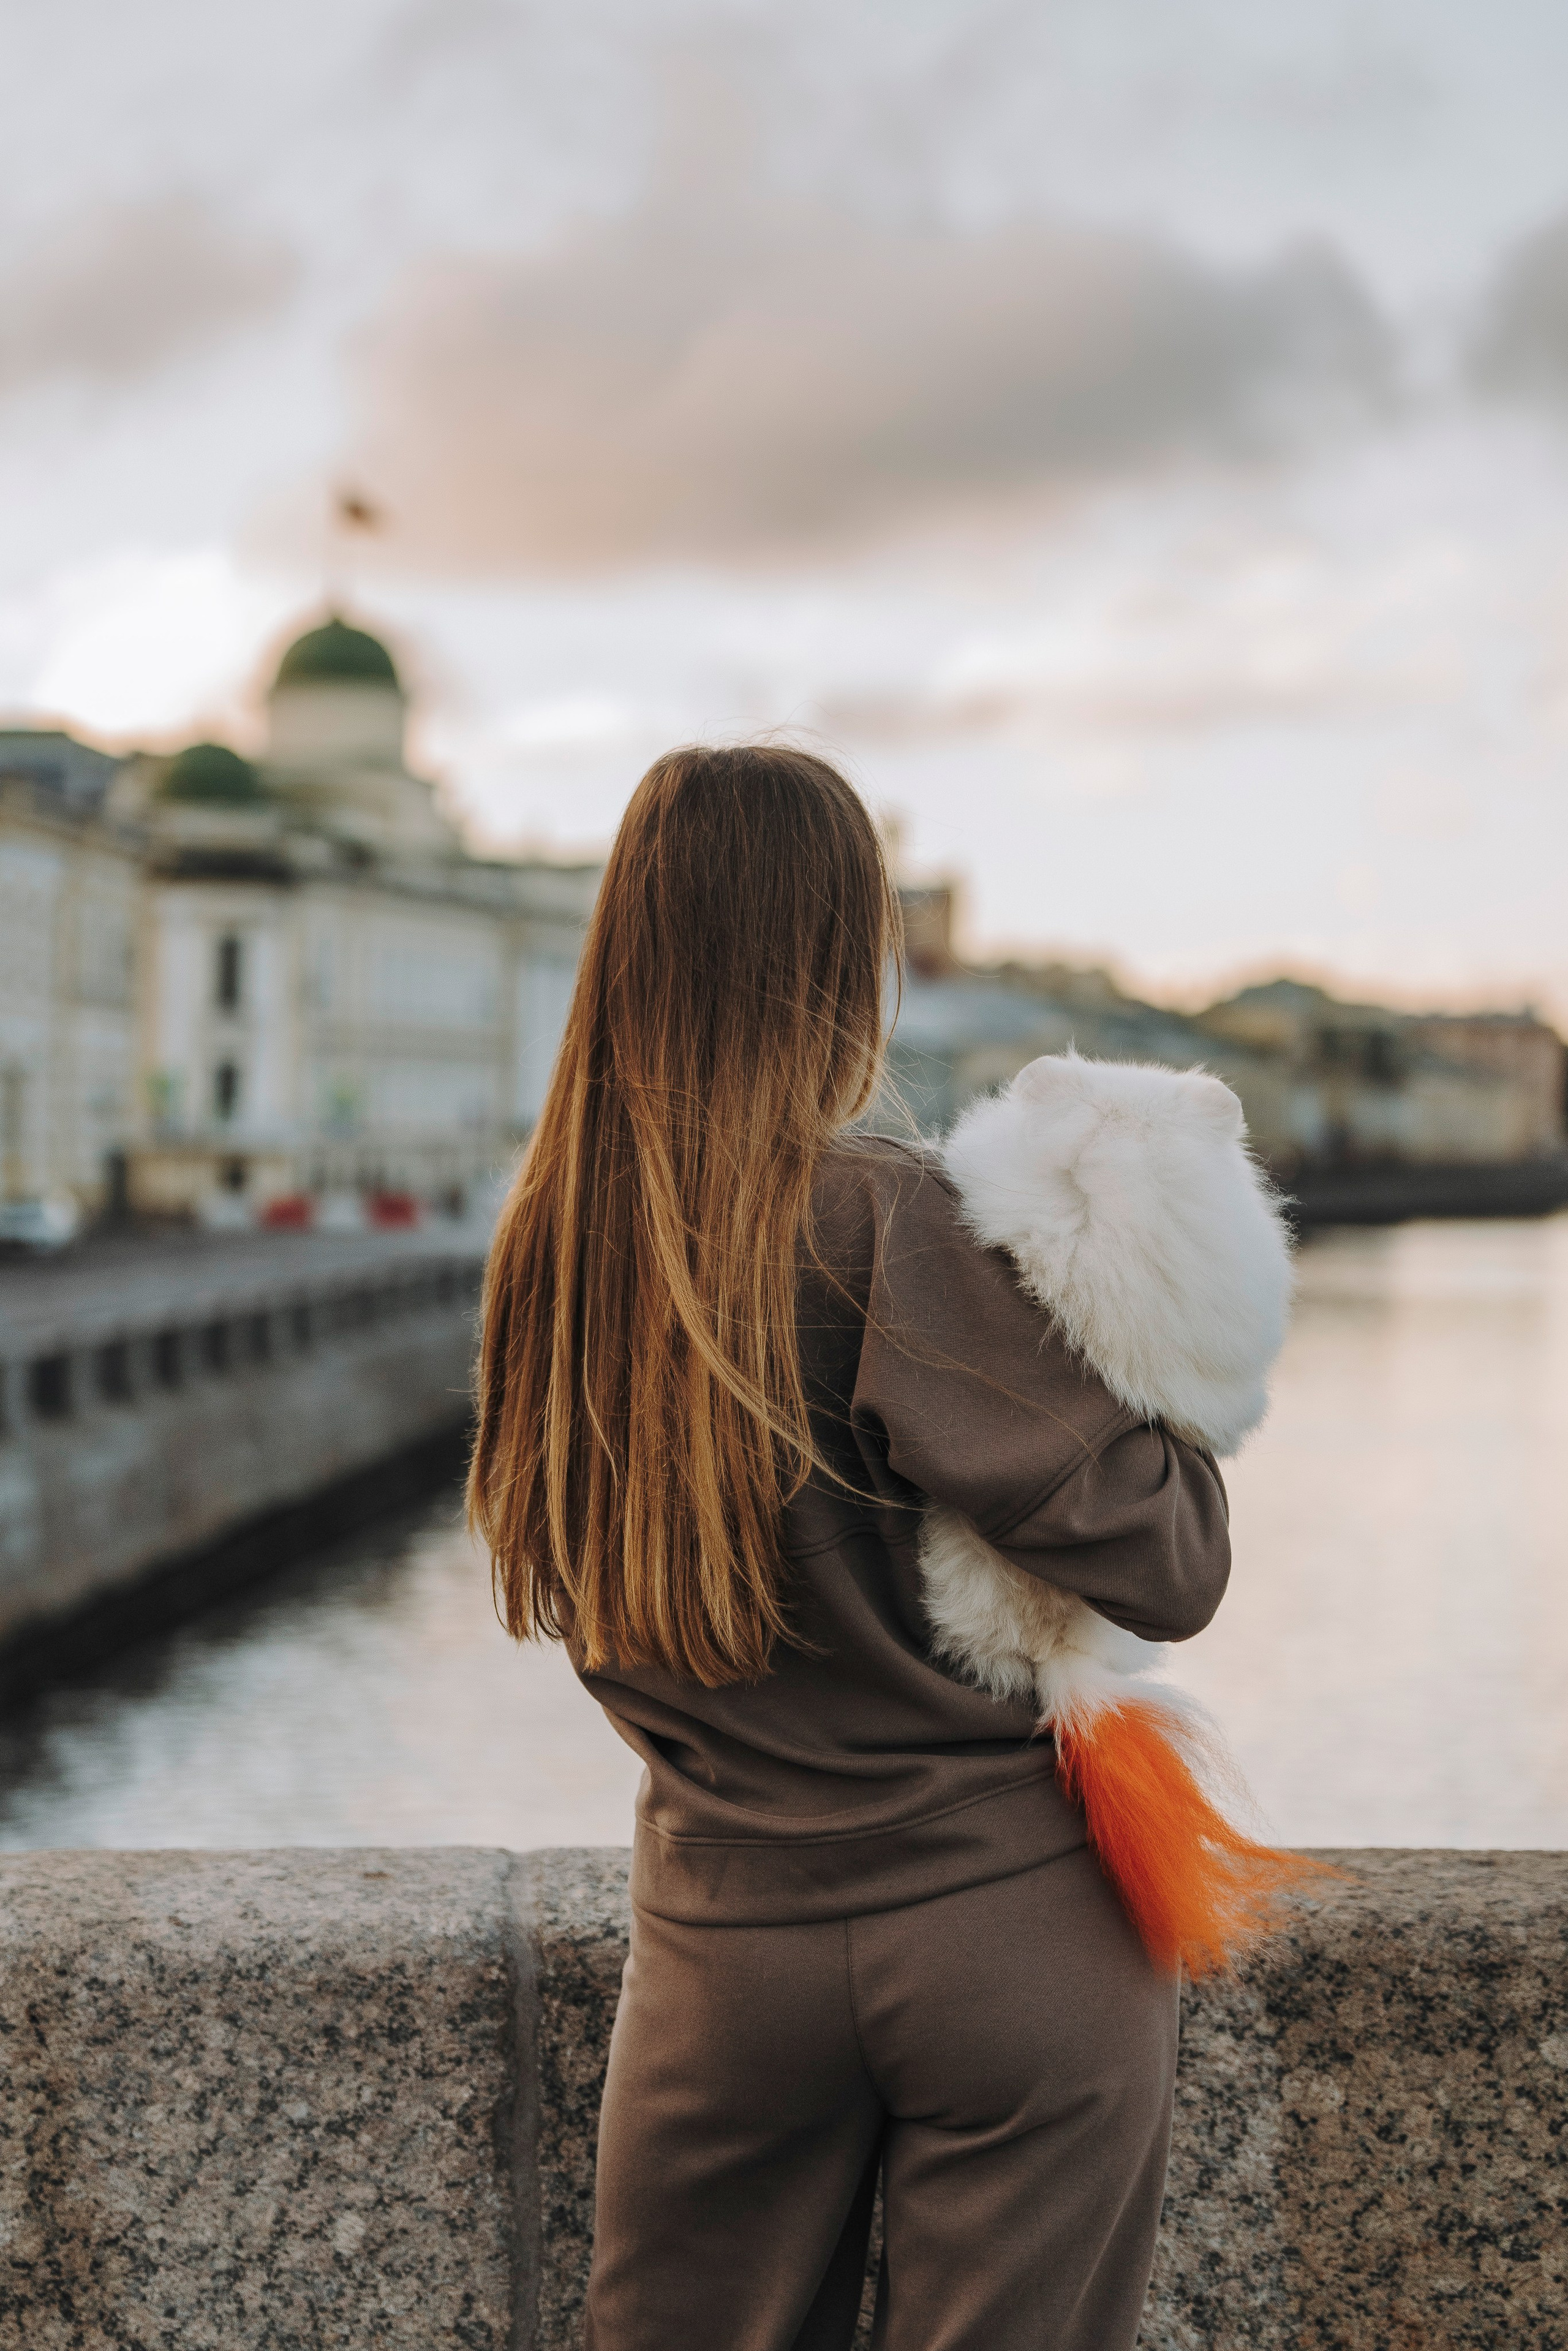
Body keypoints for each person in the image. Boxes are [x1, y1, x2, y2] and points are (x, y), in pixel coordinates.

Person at [469, 743, 1231, 2351]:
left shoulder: (557, 1245)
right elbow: (1170, 1566)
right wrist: (1154, 1346)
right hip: (1007, 1930)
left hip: (721, 1952)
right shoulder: (895, 1215)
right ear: (838, 958)